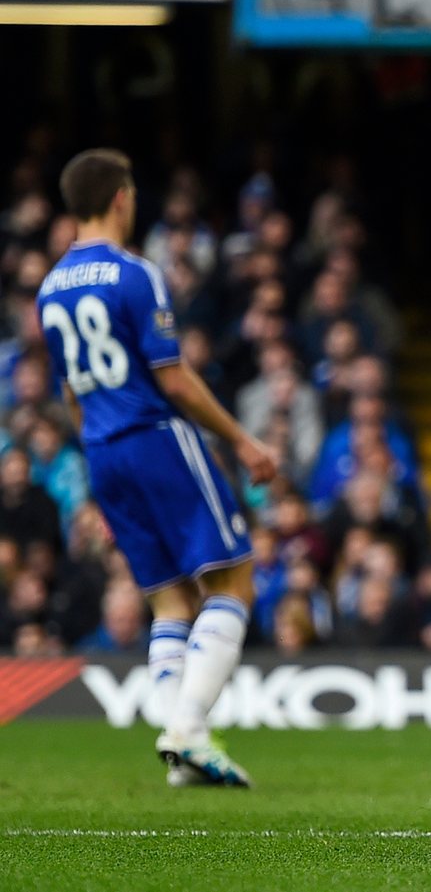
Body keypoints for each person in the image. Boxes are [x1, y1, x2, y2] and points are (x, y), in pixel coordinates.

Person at [36, 149, 277, 787]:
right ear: (120, 197)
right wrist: (244, 441)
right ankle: (188, 726)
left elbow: (67, 393)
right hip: (155, 436)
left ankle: (183, 755)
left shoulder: (49, 287)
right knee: (233, 580)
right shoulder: (133, 273)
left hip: (101, 448)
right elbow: (173, 378)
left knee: (170, 597)